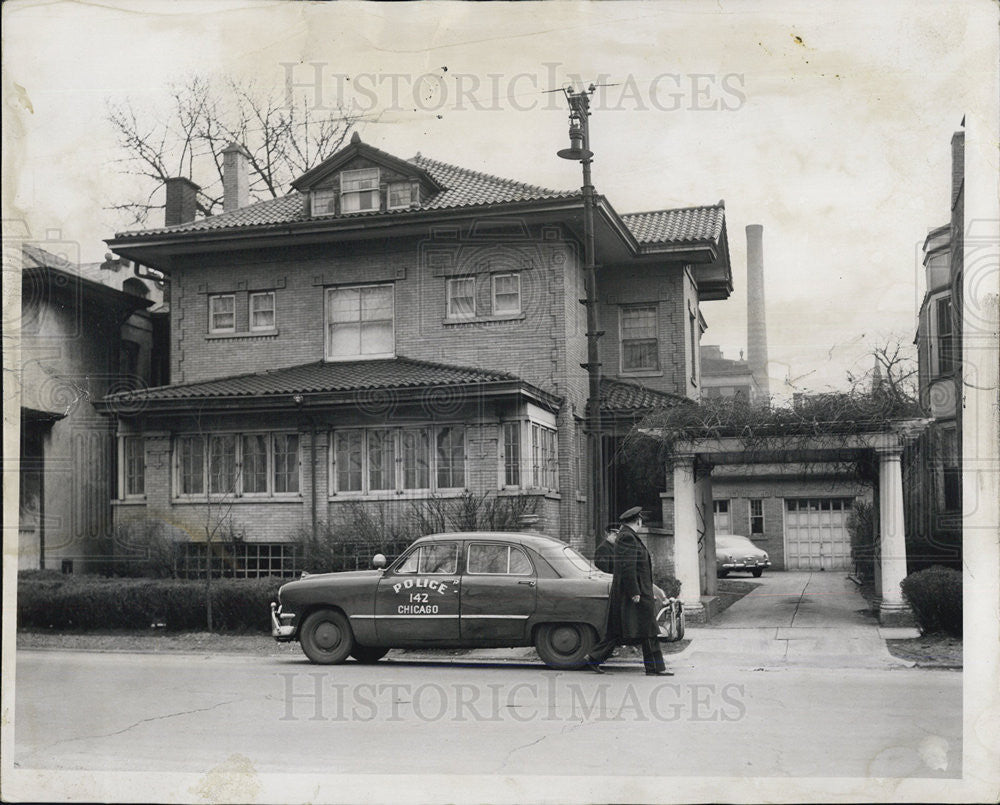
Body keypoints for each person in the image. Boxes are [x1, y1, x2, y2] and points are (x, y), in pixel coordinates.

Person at [585, 506, 672, 676]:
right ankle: (654, 668)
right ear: (638, 521)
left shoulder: (627, 536)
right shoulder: (627, 538)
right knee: (645, 629)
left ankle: (653, 667)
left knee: (637, 630)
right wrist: (635, 593)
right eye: (641, 520)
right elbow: (628, 567)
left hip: (633, 592)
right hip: (633, 594)